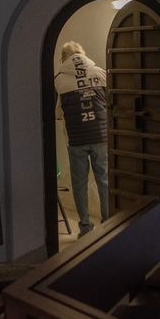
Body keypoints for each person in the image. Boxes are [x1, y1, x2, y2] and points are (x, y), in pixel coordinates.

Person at [55, 41, 109, 236]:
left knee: (79, 183)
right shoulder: (99, 72)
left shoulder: (59, 79)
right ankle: (108, 221)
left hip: (76, 139)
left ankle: (85, 227)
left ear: (63, 58)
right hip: (101, 135)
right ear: (83, 54)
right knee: (104, 180)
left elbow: (58, 113)